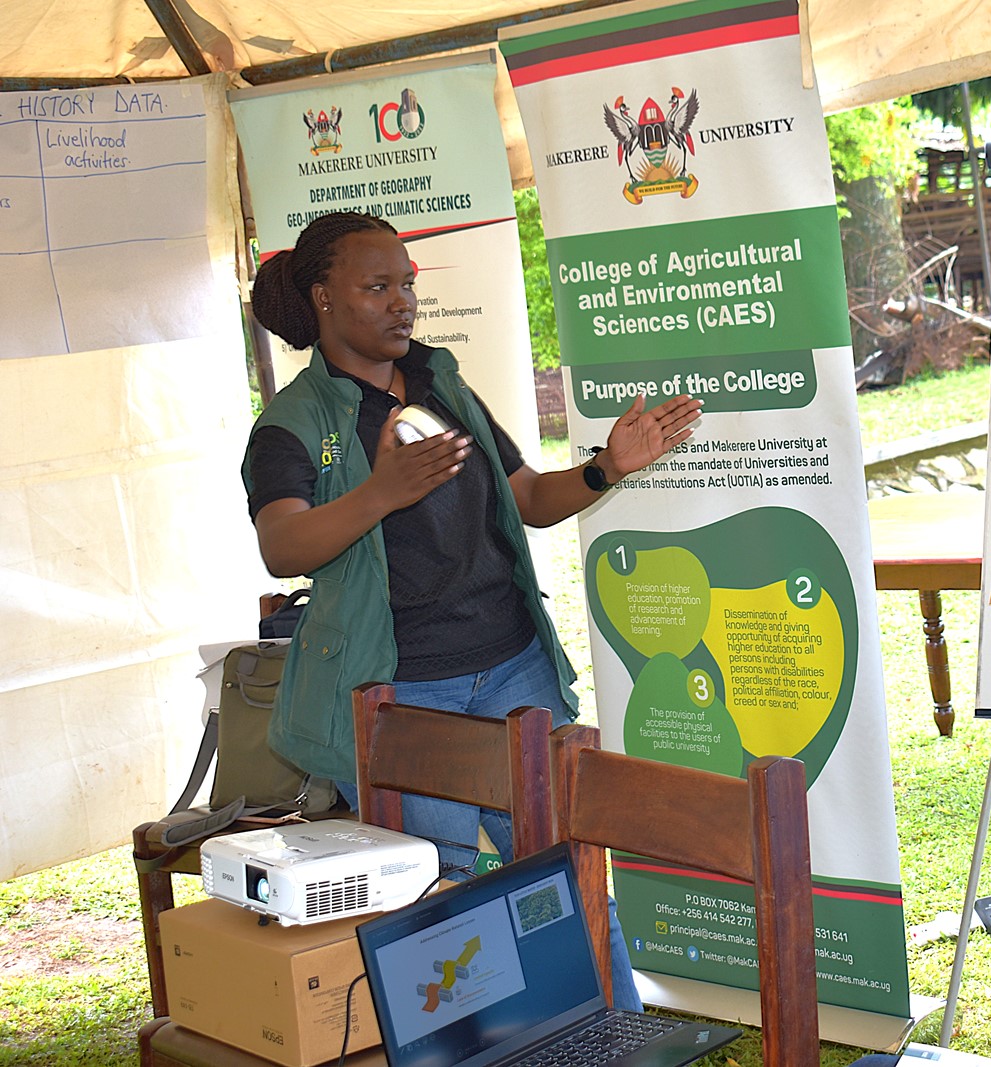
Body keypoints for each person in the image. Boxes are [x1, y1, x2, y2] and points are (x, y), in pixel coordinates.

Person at [243, 211, 698, 1011]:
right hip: (409, 692)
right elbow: (283, 546)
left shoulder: (439, 380)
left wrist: (604, 469)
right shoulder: (293, 424)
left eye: (408, 284)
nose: (402, 302)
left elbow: (528, 497)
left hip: (514, 663)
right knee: (448, 895)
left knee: (569, 865)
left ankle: (617, 1039)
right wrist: (381, 491)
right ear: (321, 298)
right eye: (377, 286)